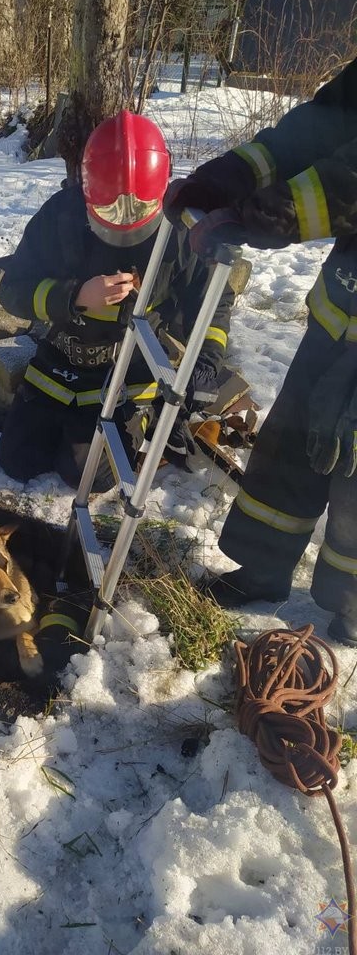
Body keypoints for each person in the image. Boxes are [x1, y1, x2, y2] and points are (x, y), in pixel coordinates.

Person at [164, 56, 357, 645]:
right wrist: (227, 177)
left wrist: (265, 215)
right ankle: (262, 569)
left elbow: (347, 180)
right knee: (291, 439)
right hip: (343, 309)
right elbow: (318, 127)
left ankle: (352, 605)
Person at [0, 111, 235, 492]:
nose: (124, 220)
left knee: (89, 477)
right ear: (89, 189)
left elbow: (214, 303)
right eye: (109, 211)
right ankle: (65, 427)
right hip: (61, 363)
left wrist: (206, 364)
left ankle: (137, 421)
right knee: (17, 462)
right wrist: (73, 296)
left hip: (129, 374)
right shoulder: (60, 216)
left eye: (139, 209)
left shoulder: (181, 231)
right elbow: (11, 290)